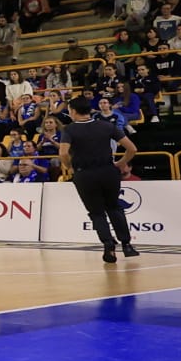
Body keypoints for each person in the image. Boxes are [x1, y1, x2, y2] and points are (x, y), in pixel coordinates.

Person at [61, 95, 139, 263]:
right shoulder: (106, 125)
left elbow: (63, 153)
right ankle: (127, 245)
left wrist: (69, 167)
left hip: (85, 174)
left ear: (73, 111)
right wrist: (120, 163)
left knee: (96, 212)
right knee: (114, 207)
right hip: (108, 172)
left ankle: (108, 245)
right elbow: (132, 148)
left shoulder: (70, 130)